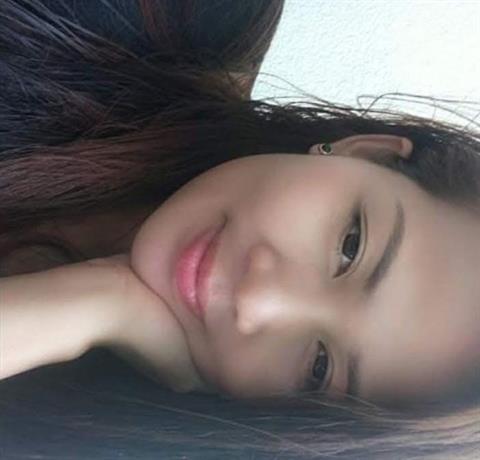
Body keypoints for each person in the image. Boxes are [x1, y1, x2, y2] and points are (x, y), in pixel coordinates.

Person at [1, 1, 479, 459]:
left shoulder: (54, 429)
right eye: (350, 247)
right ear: (367, 153)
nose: (258, 299)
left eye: (318, 369)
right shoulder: (186, 17)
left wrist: (96, 303)